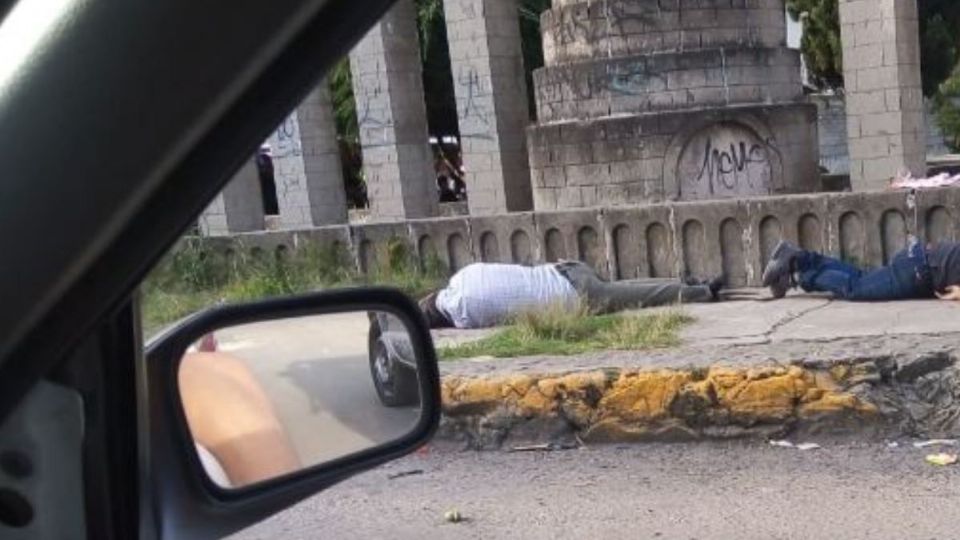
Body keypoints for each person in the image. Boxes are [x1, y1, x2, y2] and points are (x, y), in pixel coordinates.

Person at [418, 260, 723, 329]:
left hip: (574, 298)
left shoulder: (465, 318)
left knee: (639, 295)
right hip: (564, 268)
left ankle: (701, 292)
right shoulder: (464, 274)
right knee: (627, 287)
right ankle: (689, 284)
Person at [761, 238, 960, 301]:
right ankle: (795, 269)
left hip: (920, 259)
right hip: (920, 271)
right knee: (856, 288)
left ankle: (802, 259)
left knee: (860, 277)